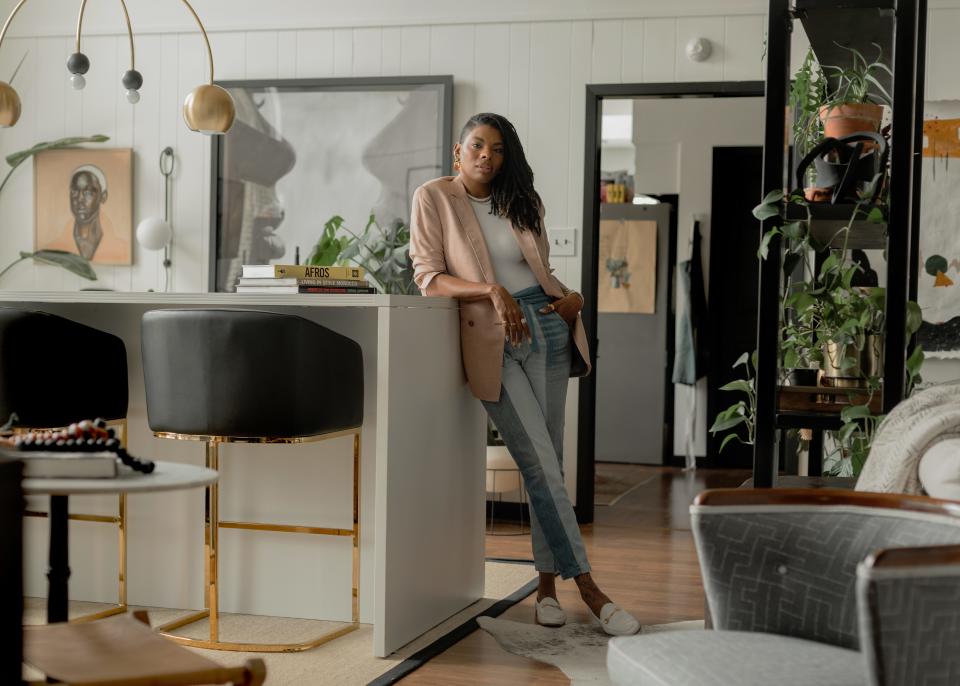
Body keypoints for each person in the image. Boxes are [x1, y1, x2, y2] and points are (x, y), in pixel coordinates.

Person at [409, 112, 641, 636]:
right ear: (457, 151)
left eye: (496, 148)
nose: (486, 156)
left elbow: (537, 273)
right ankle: (590, 587)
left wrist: (573, 298)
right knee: (537, 459)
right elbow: (428, 278)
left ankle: (543, 587)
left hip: (549, 327)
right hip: (493, 338)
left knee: (549, 462)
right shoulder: (434, 197)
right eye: (476, 146)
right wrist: (491, 291)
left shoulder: (523, 201)